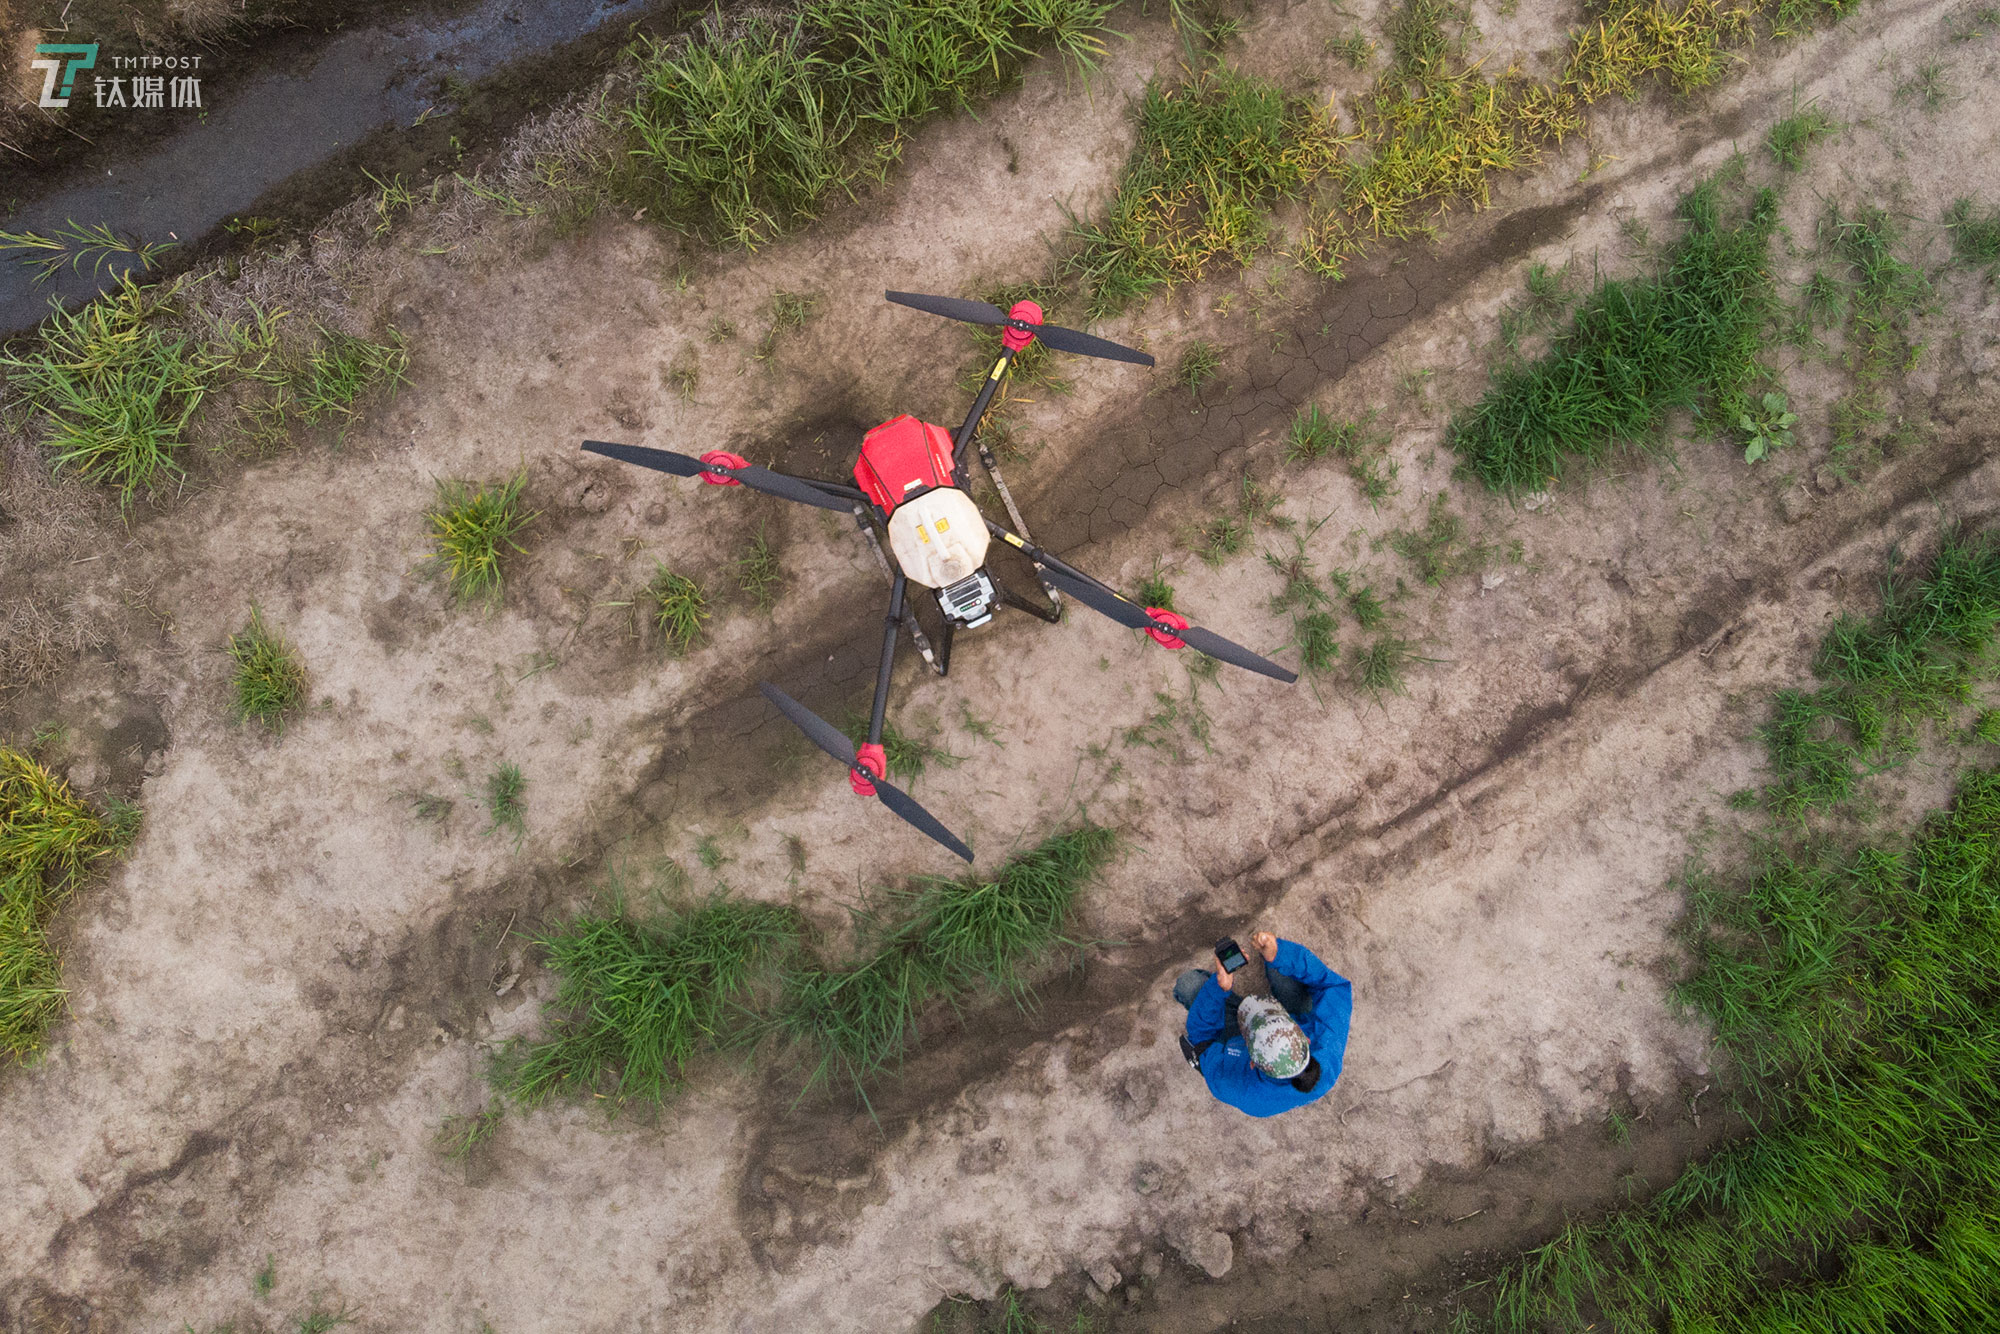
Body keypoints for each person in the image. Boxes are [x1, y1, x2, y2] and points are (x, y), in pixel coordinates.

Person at [1172, 930, 1352, 1118]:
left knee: (1188, 985)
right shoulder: (1327, 1049)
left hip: (1234, 1046)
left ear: (1251, 1062)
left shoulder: (1233, 1085)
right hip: (1294, 1017)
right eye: (1272, 1015)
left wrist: (1219, 987)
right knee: (1280, 962)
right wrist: (1279, 954)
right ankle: (1273, 957)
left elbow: (1201, 1039)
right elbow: (1333, 986)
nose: (1258, 1001)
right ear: (1305, 1039)